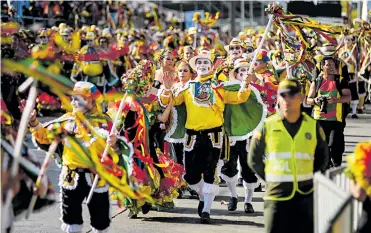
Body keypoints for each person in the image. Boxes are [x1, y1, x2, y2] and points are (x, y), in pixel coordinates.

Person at [159, 50, 252, 223]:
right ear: (196, 67)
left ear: (211, 66)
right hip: (192, 136)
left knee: (210, 173)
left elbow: (239, 98)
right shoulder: (187, 87)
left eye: (206, 63)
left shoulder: (219, 87)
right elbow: (170, 101)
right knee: (190, 176)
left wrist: (245, 84)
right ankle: (203, 196)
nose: (203, 66)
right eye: (199, 63)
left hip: (214, 135)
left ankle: (206, 211)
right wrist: (166, 87)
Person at [23, 82, 117, 233]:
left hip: (97, 179)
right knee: (71, 221)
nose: (73, 102)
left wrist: (114, 144)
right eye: (73, 99)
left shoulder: (105, 122)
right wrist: (33, 122)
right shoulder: (66, 121)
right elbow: (45, 137)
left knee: (100, 222)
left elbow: (118, 152)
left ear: (92, 101)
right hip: (70, 177)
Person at [248, 79, 329, 233]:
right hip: (276, 196)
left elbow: (322, 157)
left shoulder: (312, 126)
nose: (287, 99)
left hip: (305, 195)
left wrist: (310, 177)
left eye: (292, 95)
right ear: (278, 98)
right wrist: (270, 179)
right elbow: (254, 159)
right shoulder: (267, 125)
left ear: (300, 97)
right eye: (283, 95)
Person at [220, 59, 266, 213]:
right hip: (231, 134)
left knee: (248, 169)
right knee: (229, 167)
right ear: (236, 73)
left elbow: (260, 113)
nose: (244, 74)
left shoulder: (256, 91)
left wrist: (256, 134)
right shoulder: (227, 88)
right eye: (241, 71)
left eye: (247, 71)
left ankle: (248, 201)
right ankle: (233, 196)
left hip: (249, 136)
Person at [306, 56, 351, 167]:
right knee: (321, 146)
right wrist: (316, 101)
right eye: (328, 65)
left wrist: (335, 100)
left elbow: (348, 97)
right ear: (322, 67)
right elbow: (308, 100)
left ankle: (336, 165)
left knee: (335, 145)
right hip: (319, 120)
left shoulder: (340, 80)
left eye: (332, 65)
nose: (331, 67)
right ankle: (325, 165)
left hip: (336, 120)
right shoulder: (317, 82)